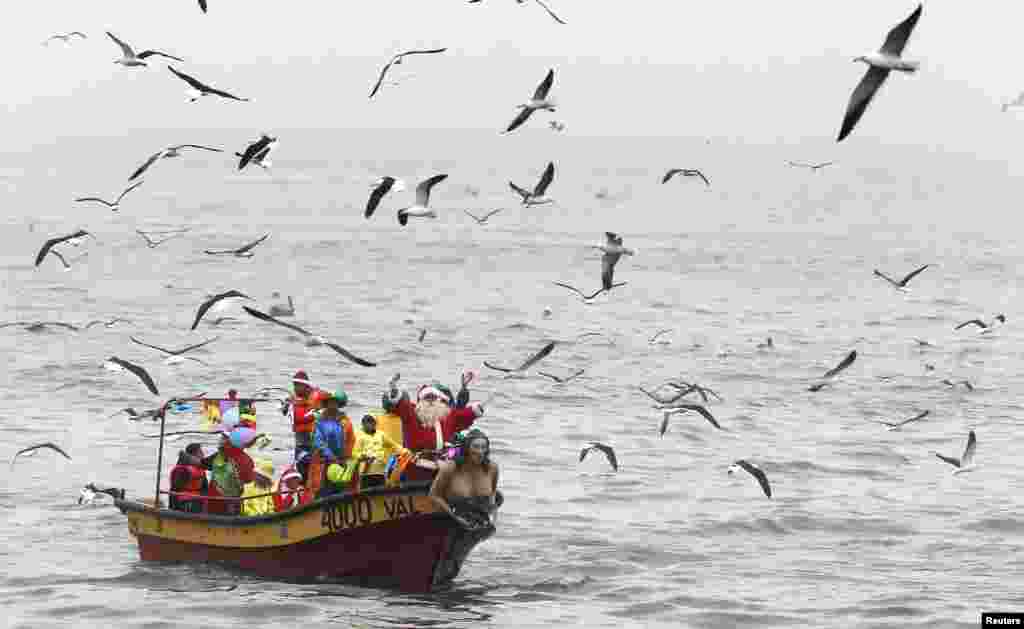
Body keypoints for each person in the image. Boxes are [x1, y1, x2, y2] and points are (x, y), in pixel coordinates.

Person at [382, 372, 484, 453]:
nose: (430, 400)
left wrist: (474, 410)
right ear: (420, 401)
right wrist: (393, 389)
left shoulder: (446, 413)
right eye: (427, 398)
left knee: (458, 454)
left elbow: (462, 413)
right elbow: (401, 404)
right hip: (416, 455)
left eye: (433, 397)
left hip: (443, 454)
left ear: (439, 399)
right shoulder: (413, 411)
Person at [429, 428, 500, 531]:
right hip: (453, 523)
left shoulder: (492, 468)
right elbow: (434, 495)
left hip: (482, 523)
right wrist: (454, 516)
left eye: (483, 447)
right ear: (467, 448)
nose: (480, 451)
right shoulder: (450, 468)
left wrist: (493, 519)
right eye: (476, 447)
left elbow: (492, 493)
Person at [202, 431, 255, 516]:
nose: (221, 441)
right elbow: (248, 479)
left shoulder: (218, 456)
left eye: (224, 439)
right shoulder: (246, 459)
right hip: (230, 502)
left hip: (216, 500)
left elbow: (202, 464)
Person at [353, 414, 411, 489]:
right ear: (363, 425)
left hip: (380, 472)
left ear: (374, 424)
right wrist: (363, 456)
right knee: (366, 495)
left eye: (371, 423)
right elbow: (354, 453)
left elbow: (394, 446)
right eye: (366, 424)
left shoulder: (381, 434)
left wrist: (405, 451)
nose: (369, 426)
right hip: (365, 473)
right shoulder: (359, 436)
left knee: (381, 494)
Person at [286, 370, 320, 460]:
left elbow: (305, 416)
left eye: (298, 385)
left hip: (313, 442)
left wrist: (295, 403)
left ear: (306, 386)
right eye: (294, 385)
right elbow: (289, 414)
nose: (295, 388)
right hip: (300, 441)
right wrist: (286, 406)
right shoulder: (295, 399)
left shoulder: (316, 397)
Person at [169, 443, 208, 513]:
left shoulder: (200, 469)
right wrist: (172, 508)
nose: (203, 454)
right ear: (193, 455)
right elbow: (174, 490)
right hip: (186, 502)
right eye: (200, 452)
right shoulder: (183, 470)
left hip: (198, 500)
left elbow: (205, 488)